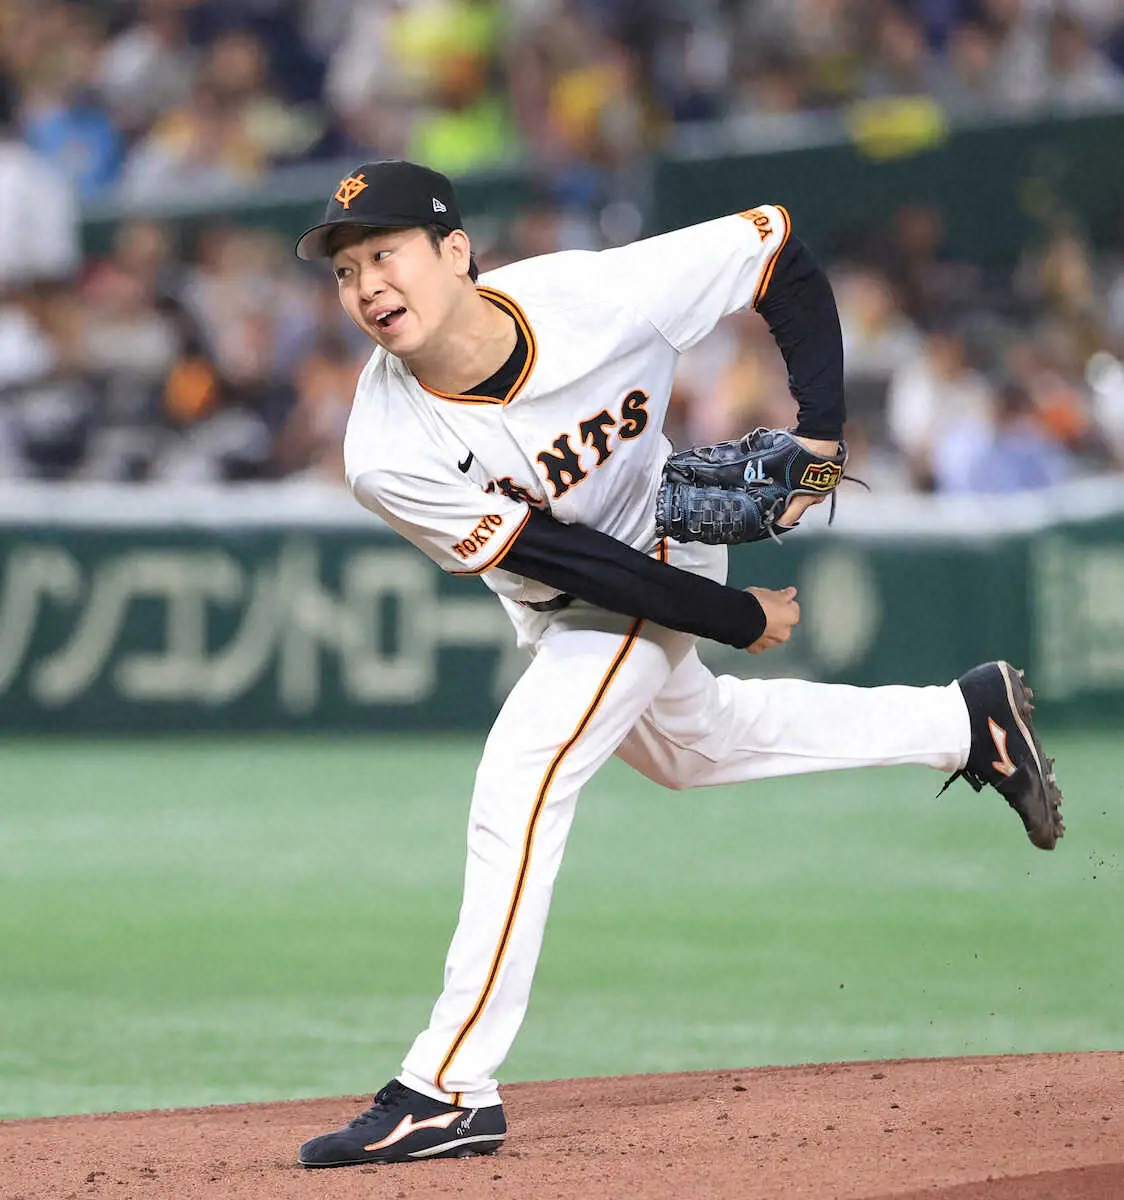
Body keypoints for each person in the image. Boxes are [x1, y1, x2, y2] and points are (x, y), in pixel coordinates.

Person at [291, 160, 1063, 1168]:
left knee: (522, 775)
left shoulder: (595, 295)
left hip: (663, 535)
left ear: (455, 251)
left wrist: (822, 439)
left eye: (384, 254)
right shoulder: (385, 447)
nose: (366, 287)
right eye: (345, 272)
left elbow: (775, 246)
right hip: (583, 586)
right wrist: (733, 617)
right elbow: (563, 561)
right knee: (695, 747)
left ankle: (448, 1087)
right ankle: (963, 721)